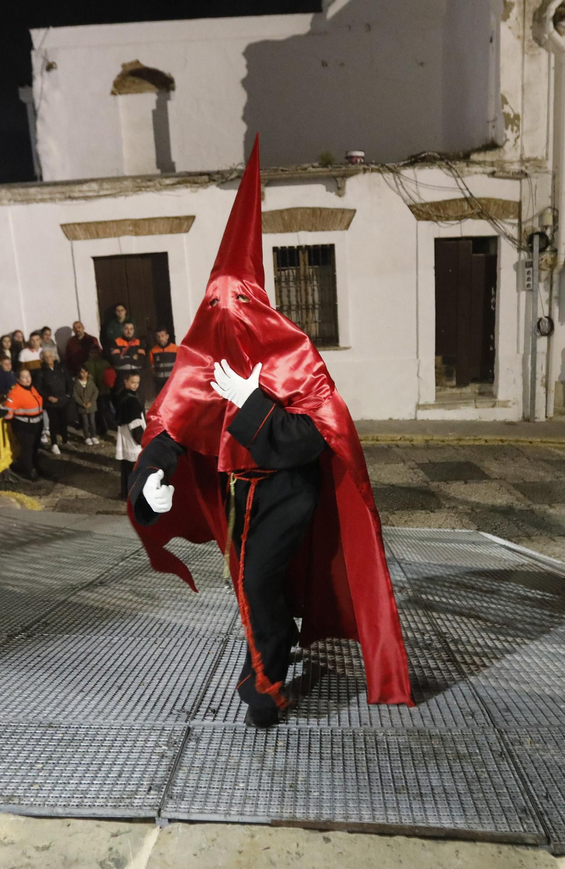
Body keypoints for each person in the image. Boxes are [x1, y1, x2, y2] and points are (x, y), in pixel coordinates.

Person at [125, 141, 412, 728]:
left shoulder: (293, 352)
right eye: (215, 299)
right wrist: (154, 476)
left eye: (237, 298)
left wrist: (249, 401)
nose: (225, 310)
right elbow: (171, 422)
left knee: (258, 579)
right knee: (252, 585)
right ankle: (268, 655)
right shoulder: (200, 356)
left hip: (286, 490)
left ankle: (269, 682)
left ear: (256, 301)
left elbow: (314, 436)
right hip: (238, 495)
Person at [3, 367, 48, 481]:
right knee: (27, 449)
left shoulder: (31, 388)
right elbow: (8, 412)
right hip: (24, 427)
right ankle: (29, 471)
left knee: (35, 447)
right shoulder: (15, 393)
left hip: (36, 425)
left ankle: (35, 466)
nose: (27, 379)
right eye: (23, 377)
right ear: (18, 379)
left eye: (28, 376)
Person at [115, 371, 147, 498]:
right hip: (133, 438)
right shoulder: (131, 400)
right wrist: (142, 439)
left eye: (137, 383)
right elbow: (135, 423)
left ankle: (125, 492)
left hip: (124, 435)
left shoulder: (122, 395)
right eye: (132, 382)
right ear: (126, 381)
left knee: (126, 466)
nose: (135, 385)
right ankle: (133, 493)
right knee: (134, 467)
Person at [35, 349, 71, 454]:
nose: (48, 359)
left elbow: (68, 381)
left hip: (63, 400)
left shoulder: (61, 368)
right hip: (51, 402)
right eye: (46, 357)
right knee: (53, 423)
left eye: (50, 356)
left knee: (64, 421)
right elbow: (38, 388)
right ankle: (54, 443)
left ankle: (65, 440)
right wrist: (48, 397)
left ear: (54, 357)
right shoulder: (40, 372)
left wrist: (68, 395)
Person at [73, 364, 100, 446]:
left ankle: (93, 436)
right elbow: (75, 395)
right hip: (82, 406)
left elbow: (95, 392)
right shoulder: (76, 383)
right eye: (82, 372)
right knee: (85, 422)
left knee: (92, 421)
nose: (84, 374)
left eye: (85, 372)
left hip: (91, 406)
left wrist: (91, 401)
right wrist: (82, 403)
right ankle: (87, 436)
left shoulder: (91, 382)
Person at [149, 328, 179, 397]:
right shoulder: (153, 351)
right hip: (159, 383)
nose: (160, 338)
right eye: (158, 336)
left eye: (162, 336)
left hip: (173, 381)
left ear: (167, 336)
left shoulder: (176, 349)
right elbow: (152, 367)